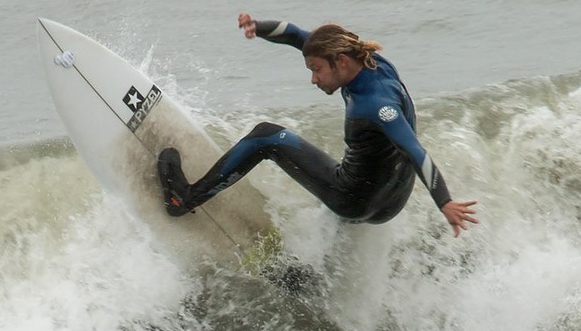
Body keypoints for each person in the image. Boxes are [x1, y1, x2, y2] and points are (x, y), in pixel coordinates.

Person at [158, 14, 479, 235]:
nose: (313, 78)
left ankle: (184, 199)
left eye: (316, 69)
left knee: (266, 136)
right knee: (357, 168)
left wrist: (445, 202)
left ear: (339, 62)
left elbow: (414, 150)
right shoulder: (367, 60)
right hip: (391, 203)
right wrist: (258, 26)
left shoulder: (375, 104)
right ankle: (320, 264)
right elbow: (297, 34)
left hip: (352, 199)